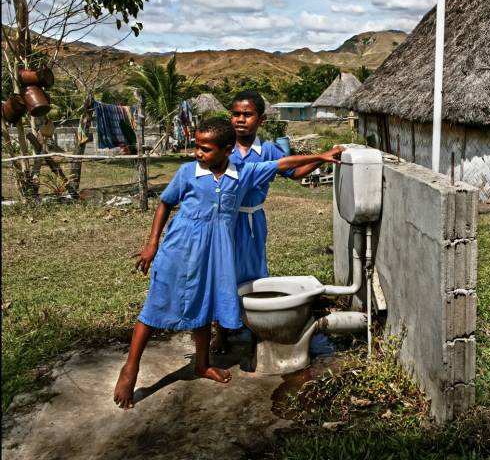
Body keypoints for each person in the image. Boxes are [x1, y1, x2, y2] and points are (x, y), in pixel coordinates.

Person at [113, 117, 341, 409]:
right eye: (197, 146)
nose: (198, 153)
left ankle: (202, 364)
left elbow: (283, 164)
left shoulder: (243, 174)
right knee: (156, 303)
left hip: (215, 254)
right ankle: (131, 368)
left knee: (205, 305)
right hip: (179, 249)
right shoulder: (187, 173)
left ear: (228, 150)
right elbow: (165, 203)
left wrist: (320, 156)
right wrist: (152, 244)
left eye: (206, 149)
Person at [210, 90, 335, 354]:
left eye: (247, 114)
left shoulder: (267, 150)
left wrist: (325, 156)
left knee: (255, 275)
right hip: (224, 220)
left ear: (261, 120)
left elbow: (294, 171)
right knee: (223, 271)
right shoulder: (223, 147)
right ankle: (221, 330)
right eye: (236, 114)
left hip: (254, 220)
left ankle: (255, 329)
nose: (240, 120)